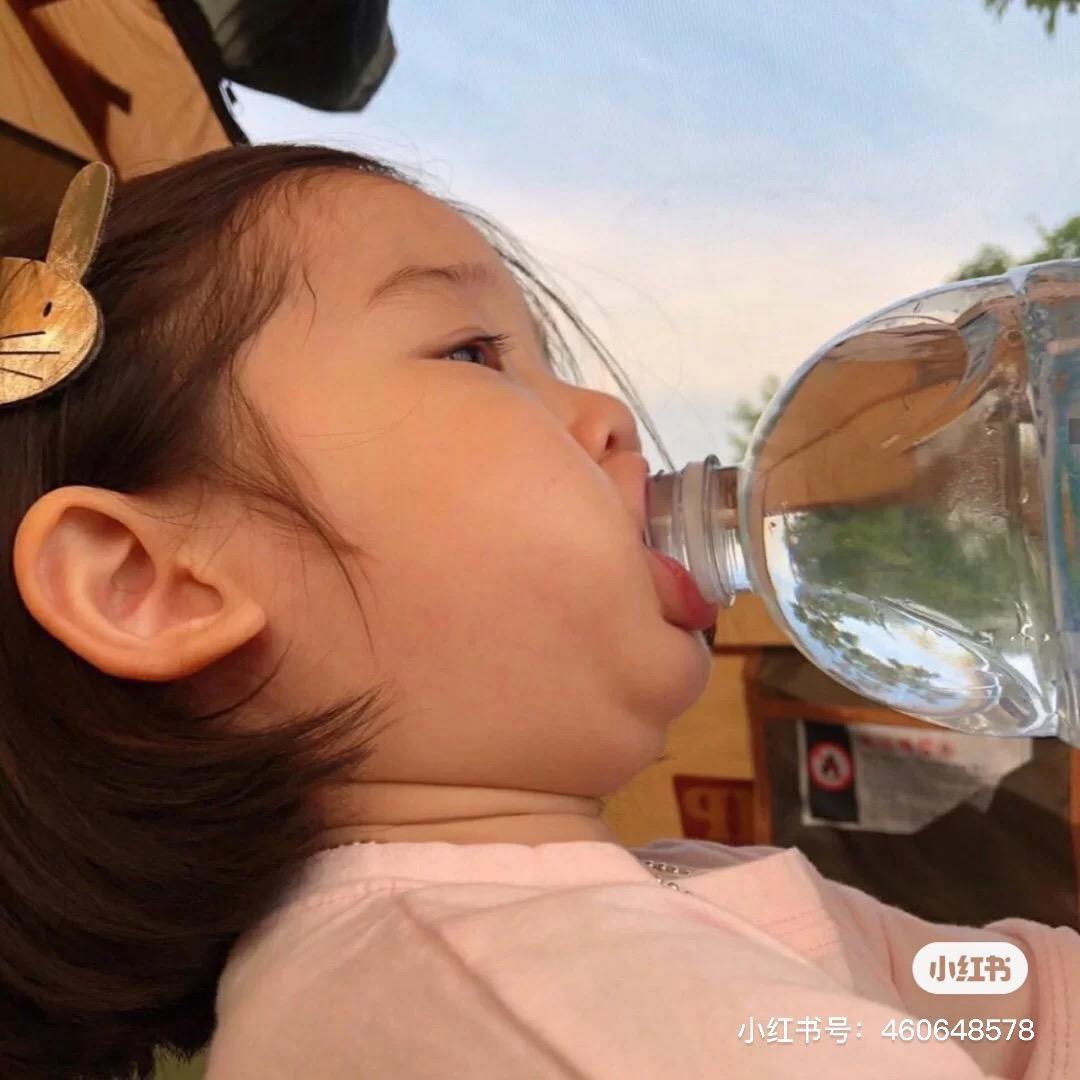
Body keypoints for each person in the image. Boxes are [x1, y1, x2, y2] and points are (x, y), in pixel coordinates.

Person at [0, 144, 1074, 1080]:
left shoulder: (655, 899)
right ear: (154, 589)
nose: (610, 417)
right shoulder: (506, 1009)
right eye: (473, 352)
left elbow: (1026, 1008)